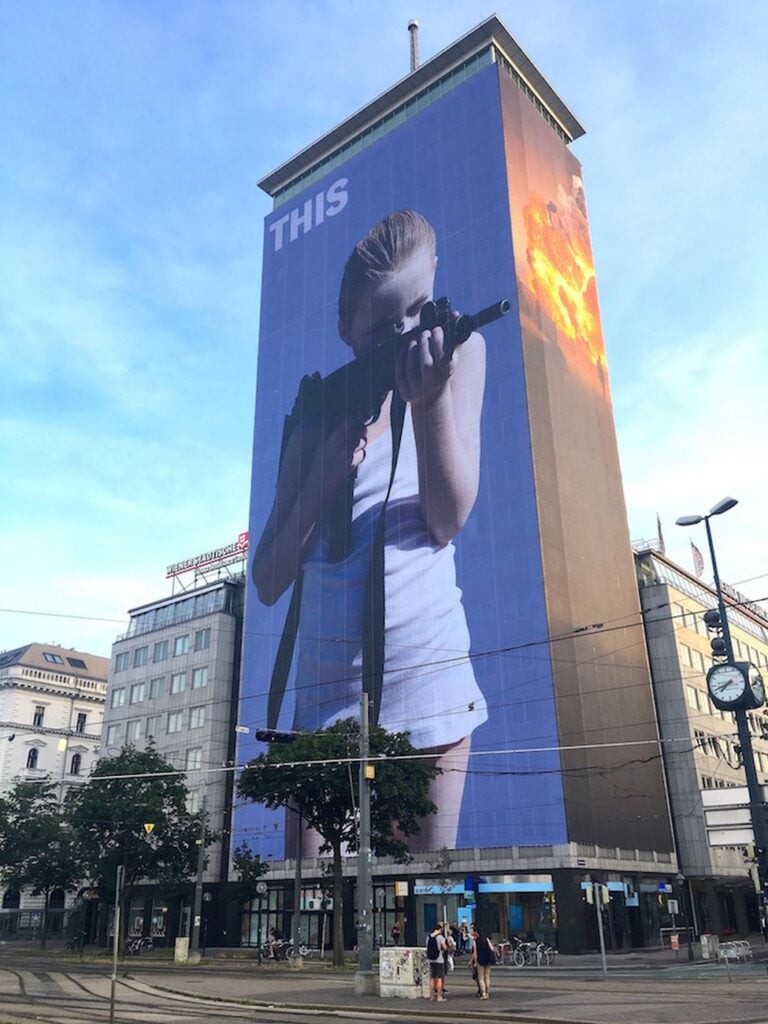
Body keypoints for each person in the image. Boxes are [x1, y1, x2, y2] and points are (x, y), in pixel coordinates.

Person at [253, 210, 489, 852]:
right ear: (347, 332)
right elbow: (268, 579)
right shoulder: (316, 412)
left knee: (420, 901)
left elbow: (447, 519)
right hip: (326, 706)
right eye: (385, 328)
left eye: (418, 309)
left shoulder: (461, 353)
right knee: (314, 913)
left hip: (430, 684)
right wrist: (321, 479)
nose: (409, 334)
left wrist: (430, 401)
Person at [470, 924, 495, 1000]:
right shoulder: (486, 939)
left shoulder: (476, 941)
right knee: (487, 977)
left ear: (476, 932)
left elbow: (475, 953)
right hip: (488, 959)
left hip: (480, 960)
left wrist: (475, 962)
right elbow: (492, 948)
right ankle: (487, 993)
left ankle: (483, 993)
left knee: (481, 978)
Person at [426, 923, 447, 1002]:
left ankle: (431, 996)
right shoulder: (440, 937)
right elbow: (444, 947)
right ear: (440, 929)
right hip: (439, 959)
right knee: (439, 978)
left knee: (432, 978)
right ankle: (439, 996)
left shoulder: (428, 937)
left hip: (431, 959)